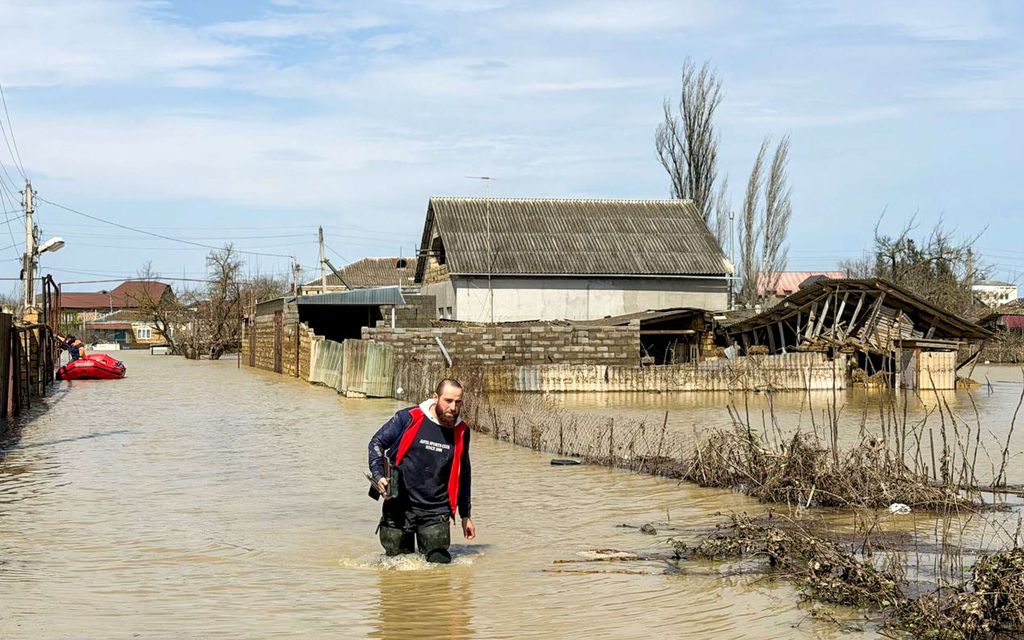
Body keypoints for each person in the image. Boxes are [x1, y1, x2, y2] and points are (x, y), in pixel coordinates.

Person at [367, 378, 475, 563]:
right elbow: (376, 443)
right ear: (435, 397)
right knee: (395, 569)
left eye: (458, 402)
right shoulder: (408, 418)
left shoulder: (462, 431)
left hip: (436, 511)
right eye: (448, 401)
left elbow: (464, 474)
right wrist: (379, 477)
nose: (453, 407)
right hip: (398, 507)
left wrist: (466, 515)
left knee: (439, 569)